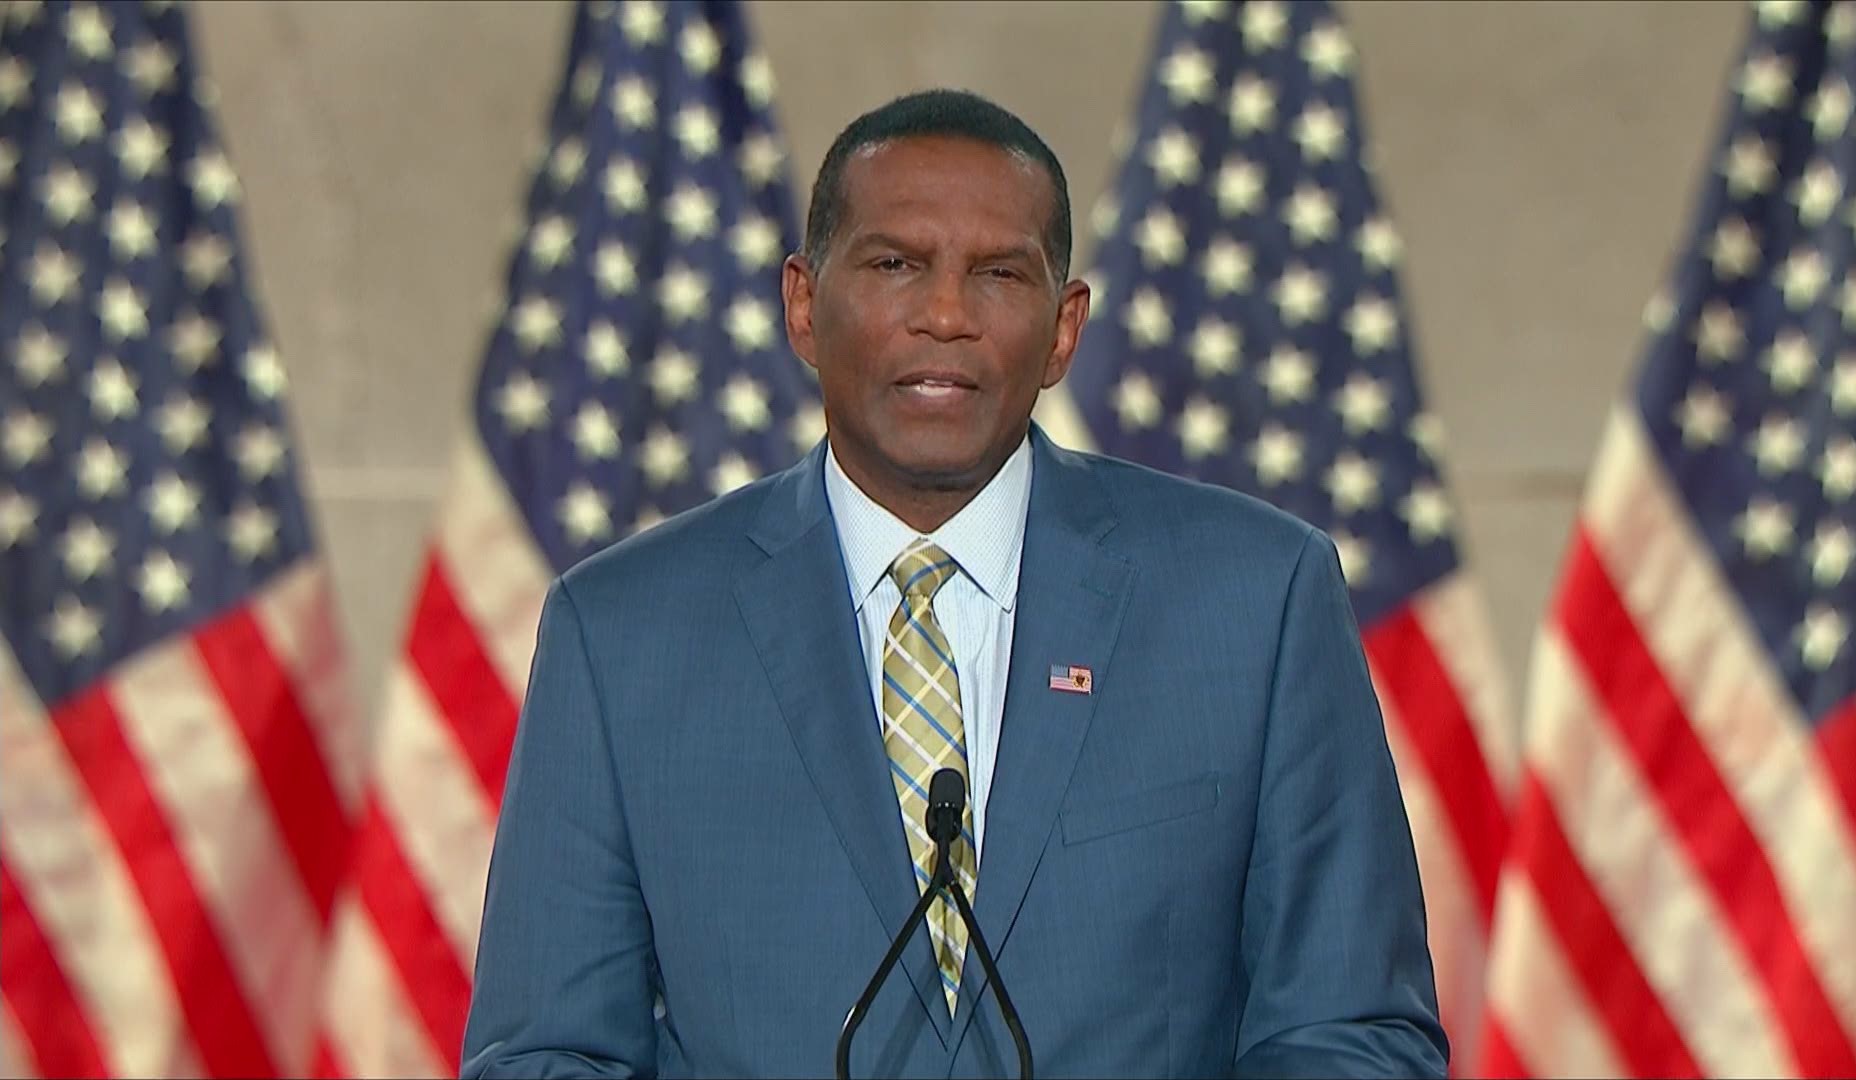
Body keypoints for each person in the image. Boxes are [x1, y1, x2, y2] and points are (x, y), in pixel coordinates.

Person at [461, 88, 1447, 1079]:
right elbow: (547, 1055)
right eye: (895, 265)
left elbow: (1352, 1033)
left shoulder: (1253, 601)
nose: (945, 316)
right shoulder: (625, 631)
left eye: (999, 275)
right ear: (803, 306)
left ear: (1064, 332)